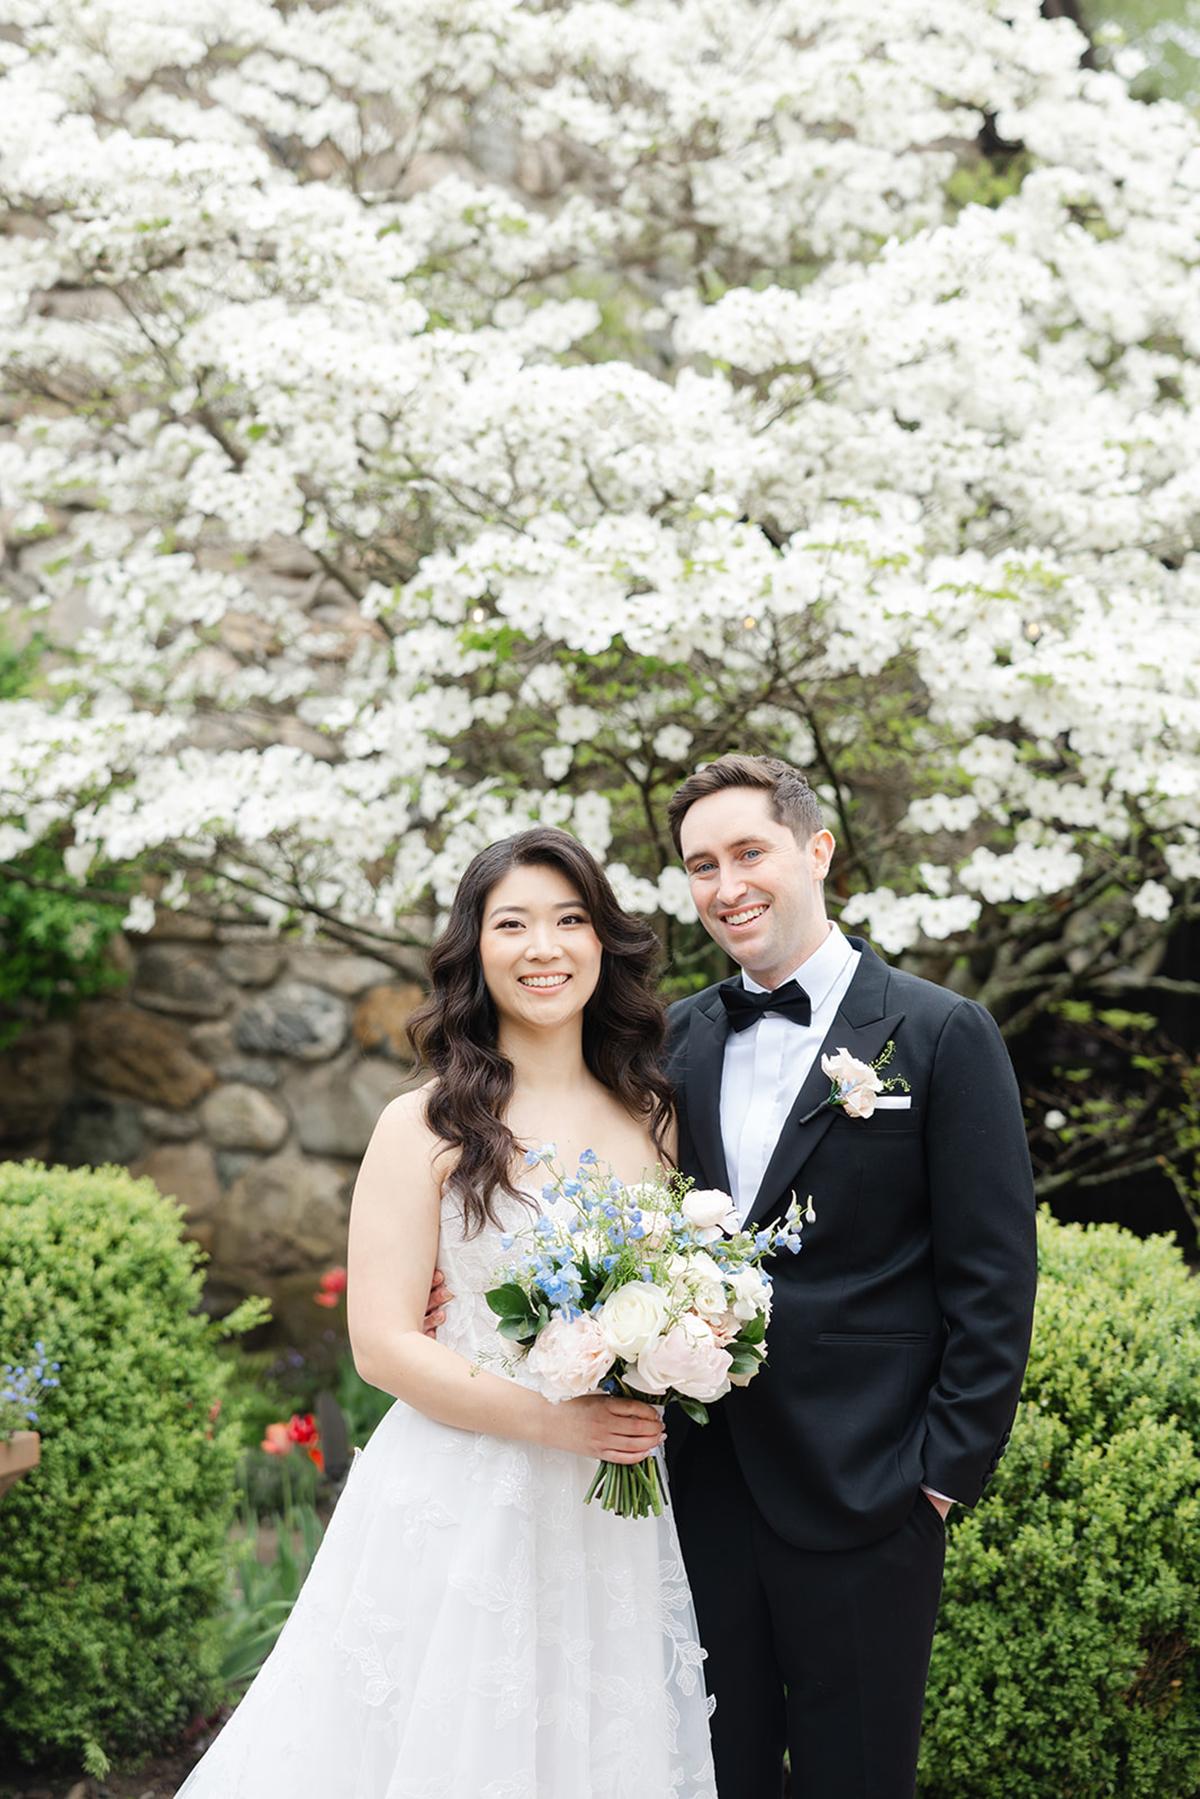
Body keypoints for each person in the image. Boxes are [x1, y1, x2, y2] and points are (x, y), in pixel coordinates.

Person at [176, 826, 718, 1799]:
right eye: (512, 923)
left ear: (604, 942)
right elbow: (381, 1343)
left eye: (569, 920)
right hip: (465, 1490)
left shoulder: (656, 1116)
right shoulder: (423, 1124)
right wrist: (559, 1419)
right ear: (475, 949)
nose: (543, 947)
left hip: (619, 1502)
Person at [662, 754, 1038, 1799]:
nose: (726, 884)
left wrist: (939, 1473)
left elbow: (994, 1272)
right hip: (703, 1484)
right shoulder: (672, 1039)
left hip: (871, 1484)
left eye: (749, 851)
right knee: (716, 1770)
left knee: (858, 1774)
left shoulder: (941, 1031)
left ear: (817, 848)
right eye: (701, 863)